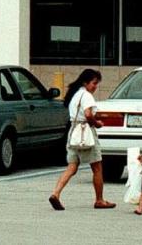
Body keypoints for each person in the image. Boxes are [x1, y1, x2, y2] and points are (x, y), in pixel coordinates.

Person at [49, 69, 116, 211]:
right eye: (94, 83)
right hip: (85, 132)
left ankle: (56, 193)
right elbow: (87, 114)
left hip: (73, 133)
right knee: (97, 167)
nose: (95, 86)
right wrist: (96, 123)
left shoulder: (75, 95)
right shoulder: (87, 96)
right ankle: (99, 200)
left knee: (72, 167)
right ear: (86, 82)